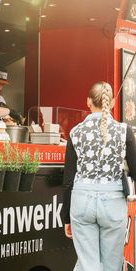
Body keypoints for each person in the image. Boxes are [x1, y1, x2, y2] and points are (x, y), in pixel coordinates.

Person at [62, 81, 136, 271]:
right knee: (112, 265)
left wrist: (66, 218)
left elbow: (68, 180)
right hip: (112, 203)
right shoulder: (124, 131)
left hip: (81, 202)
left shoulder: (75, 132)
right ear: (111, 104)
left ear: (88, 102)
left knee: (88, 265)